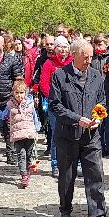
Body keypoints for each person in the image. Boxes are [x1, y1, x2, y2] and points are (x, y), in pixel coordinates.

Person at [49, 39, 109, 217]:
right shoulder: (60, 76)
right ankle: (65, 209)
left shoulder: (96, 76)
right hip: (67, 135)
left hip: (91, 136)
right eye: (85, 57)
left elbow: (102, 100)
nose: (89, 61)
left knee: (95, 175)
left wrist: (99, 118)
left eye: (91, 57)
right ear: (74, 55)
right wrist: (77, 119)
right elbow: (55, 105)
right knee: (67, 176)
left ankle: (98, 216)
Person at [39, 35, 71, 179]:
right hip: (55, 105)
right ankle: (55, 164)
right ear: (55, 49)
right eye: (60, 47)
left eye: (65, 46)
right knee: (56, 134)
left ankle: (73, 163)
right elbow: (44, 83)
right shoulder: (49, 63)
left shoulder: (72, 62)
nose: (63, 50)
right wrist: (53, 99)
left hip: (71, 104)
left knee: (72, 134)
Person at [0, 33, 24, 164]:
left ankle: (11, 154)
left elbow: (18, 78)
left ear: (3, 46)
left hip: (7, 96)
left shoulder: (12, 60)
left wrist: (16, 96)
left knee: (8, 126)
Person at [5, 76, 39, 188]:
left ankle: (28, 172)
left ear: (25, 92)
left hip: (29, 134)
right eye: (17, 93)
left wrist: (37, 129)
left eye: (22, 93)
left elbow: (35, 117)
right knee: (21, 155)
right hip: (17, 135)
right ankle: (24, 174)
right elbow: (3, 115)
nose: (19, 95)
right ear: (13, 93)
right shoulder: (10, 105)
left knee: (29, 155)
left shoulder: (30, 104)